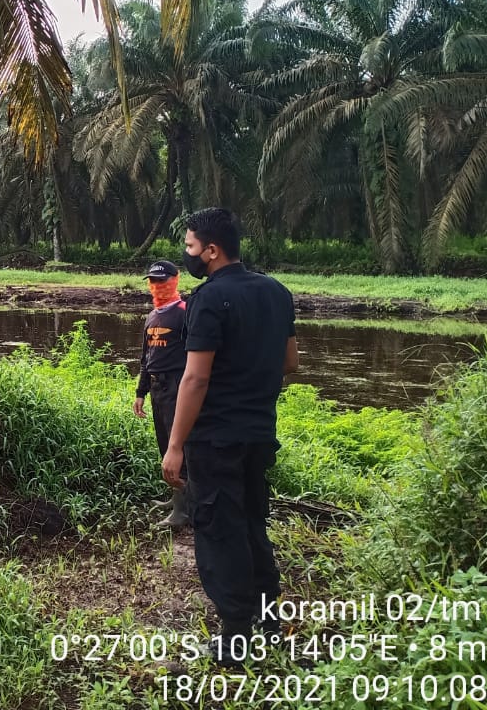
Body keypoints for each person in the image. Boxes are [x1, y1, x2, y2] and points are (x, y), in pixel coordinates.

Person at [162, 208, 299, 666]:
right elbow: (290, 363)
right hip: (259, 434)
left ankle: (233, 638)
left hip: (216, 439)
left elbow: (195, 379)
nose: (188, 255)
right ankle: (268, 622)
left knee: (220, 532)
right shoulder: (277, 293)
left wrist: (176, 445)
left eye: (191, 247)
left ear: (212, 251)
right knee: (252, 524)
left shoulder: (208, 300)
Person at [133, 260, 189, 528]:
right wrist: (141, 391)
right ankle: (175, 497)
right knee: (165, 444)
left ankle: (183, 510)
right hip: (156, 388)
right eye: (153, 281)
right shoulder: (152, 316)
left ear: (175, 280)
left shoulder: (185, 313)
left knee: (180, 446)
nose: (157, 286)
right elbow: (146, 358)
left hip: (177, 386)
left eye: (162, 280)